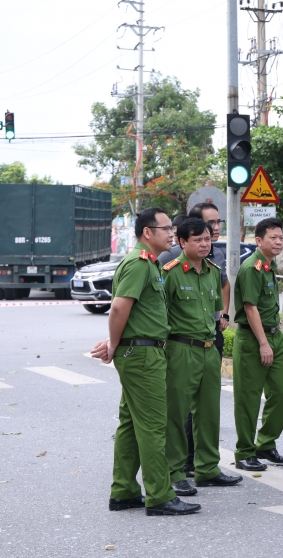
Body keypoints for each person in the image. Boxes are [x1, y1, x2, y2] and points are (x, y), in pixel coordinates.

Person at [91, 208, 200, 516]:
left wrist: (117, 344)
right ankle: (160, 496)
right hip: (141, 354)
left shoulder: (150, 264)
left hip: (142, 351)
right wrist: (113, 344)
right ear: (147, 233)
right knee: (153, 426)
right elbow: (118, 309)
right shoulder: (139, 264)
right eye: (166, 228)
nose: (172, 233)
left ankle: (124, 490)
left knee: (130, 424)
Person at [161, 218, 243, 496]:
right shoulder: (170, 272)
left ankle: (208, 468)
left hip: (209, 349)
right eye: (198, 239)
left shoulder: (212, 271)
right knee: (176, 413)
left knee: (208, 412)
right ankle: (174, 472)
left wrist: (222, 318)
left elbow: (217, 309)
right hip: (180, 349)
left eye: (207, 239)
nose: (205, 244)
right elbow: (159, 314)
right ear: (182, 242)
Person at [232, 217, 283, 471]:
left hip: (275, 336)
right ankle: (245, 451)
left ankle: (266, 444)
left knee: (278, 394)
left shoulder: (269, 266)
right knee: (249, 398)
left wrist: (273, 340)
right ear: (259, 241)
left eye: (280, 237)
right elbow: (250, 307)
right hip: (254, 339)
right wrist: (264, 344)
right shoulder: (251, 268)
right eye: (273, 238)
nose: (279, 241)